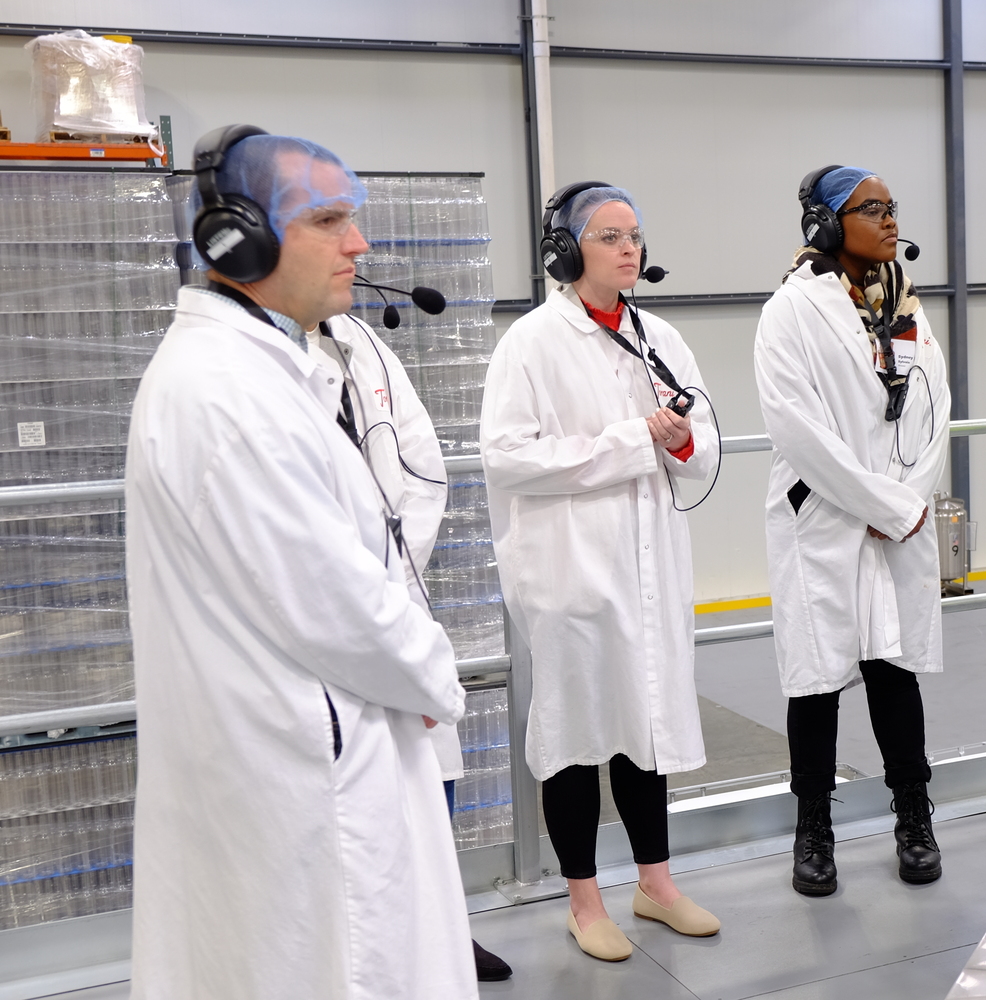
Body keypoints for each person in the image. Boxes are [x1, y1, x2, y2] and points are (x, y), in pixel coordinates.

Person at [124, 126, 474, 999]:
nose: (358, 244)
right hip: (309, 770)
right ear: (239, 239)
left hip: (311, 746)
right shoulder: (229, 392)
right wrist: (434, 675)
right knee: (341, 966)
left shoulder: (270, 369)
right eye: (327, 220)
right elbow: (335, 602)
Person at [480, 182, 721, 962]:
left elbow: (704, 442)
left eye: (635, 236)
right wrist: (630, 440)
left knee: (643, 725)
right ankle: (583, 901)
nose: (629, 249)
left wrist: (681, 440)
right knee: (579, 733)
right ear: (566, 251)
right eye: (610, 235)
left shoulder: (659, 338)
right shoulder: (532, 342)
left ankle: (656, 883)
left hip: (648, 565)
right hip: (570, 573)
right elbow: (508, 457)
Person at [304, 282, 513, 983]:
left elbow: (424, 467)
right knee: (356, 797)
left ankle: (445, 925)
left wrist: (391, 567)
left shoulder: (361, 343)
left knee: (433, 762)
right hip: (331, 620)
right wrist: (367, 578)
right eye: (331, 222)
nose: (356, 249)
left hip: (393, 589)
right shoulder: (253, 372)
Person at [755, 166, 951, 897]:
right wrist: (879, 504)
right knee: (816, 681)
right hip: (827, 519)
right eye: (873, 209)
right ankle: (813, 830)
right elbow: (796, 428)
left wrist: (907, 500)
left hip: (895, 520)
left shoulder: (904, 306)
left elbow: (935, 405)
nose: (890, 220)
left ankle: (913, 814)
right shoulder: (791, 310)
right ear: (828, 225)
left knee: (892, 672)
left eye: (893, 207)